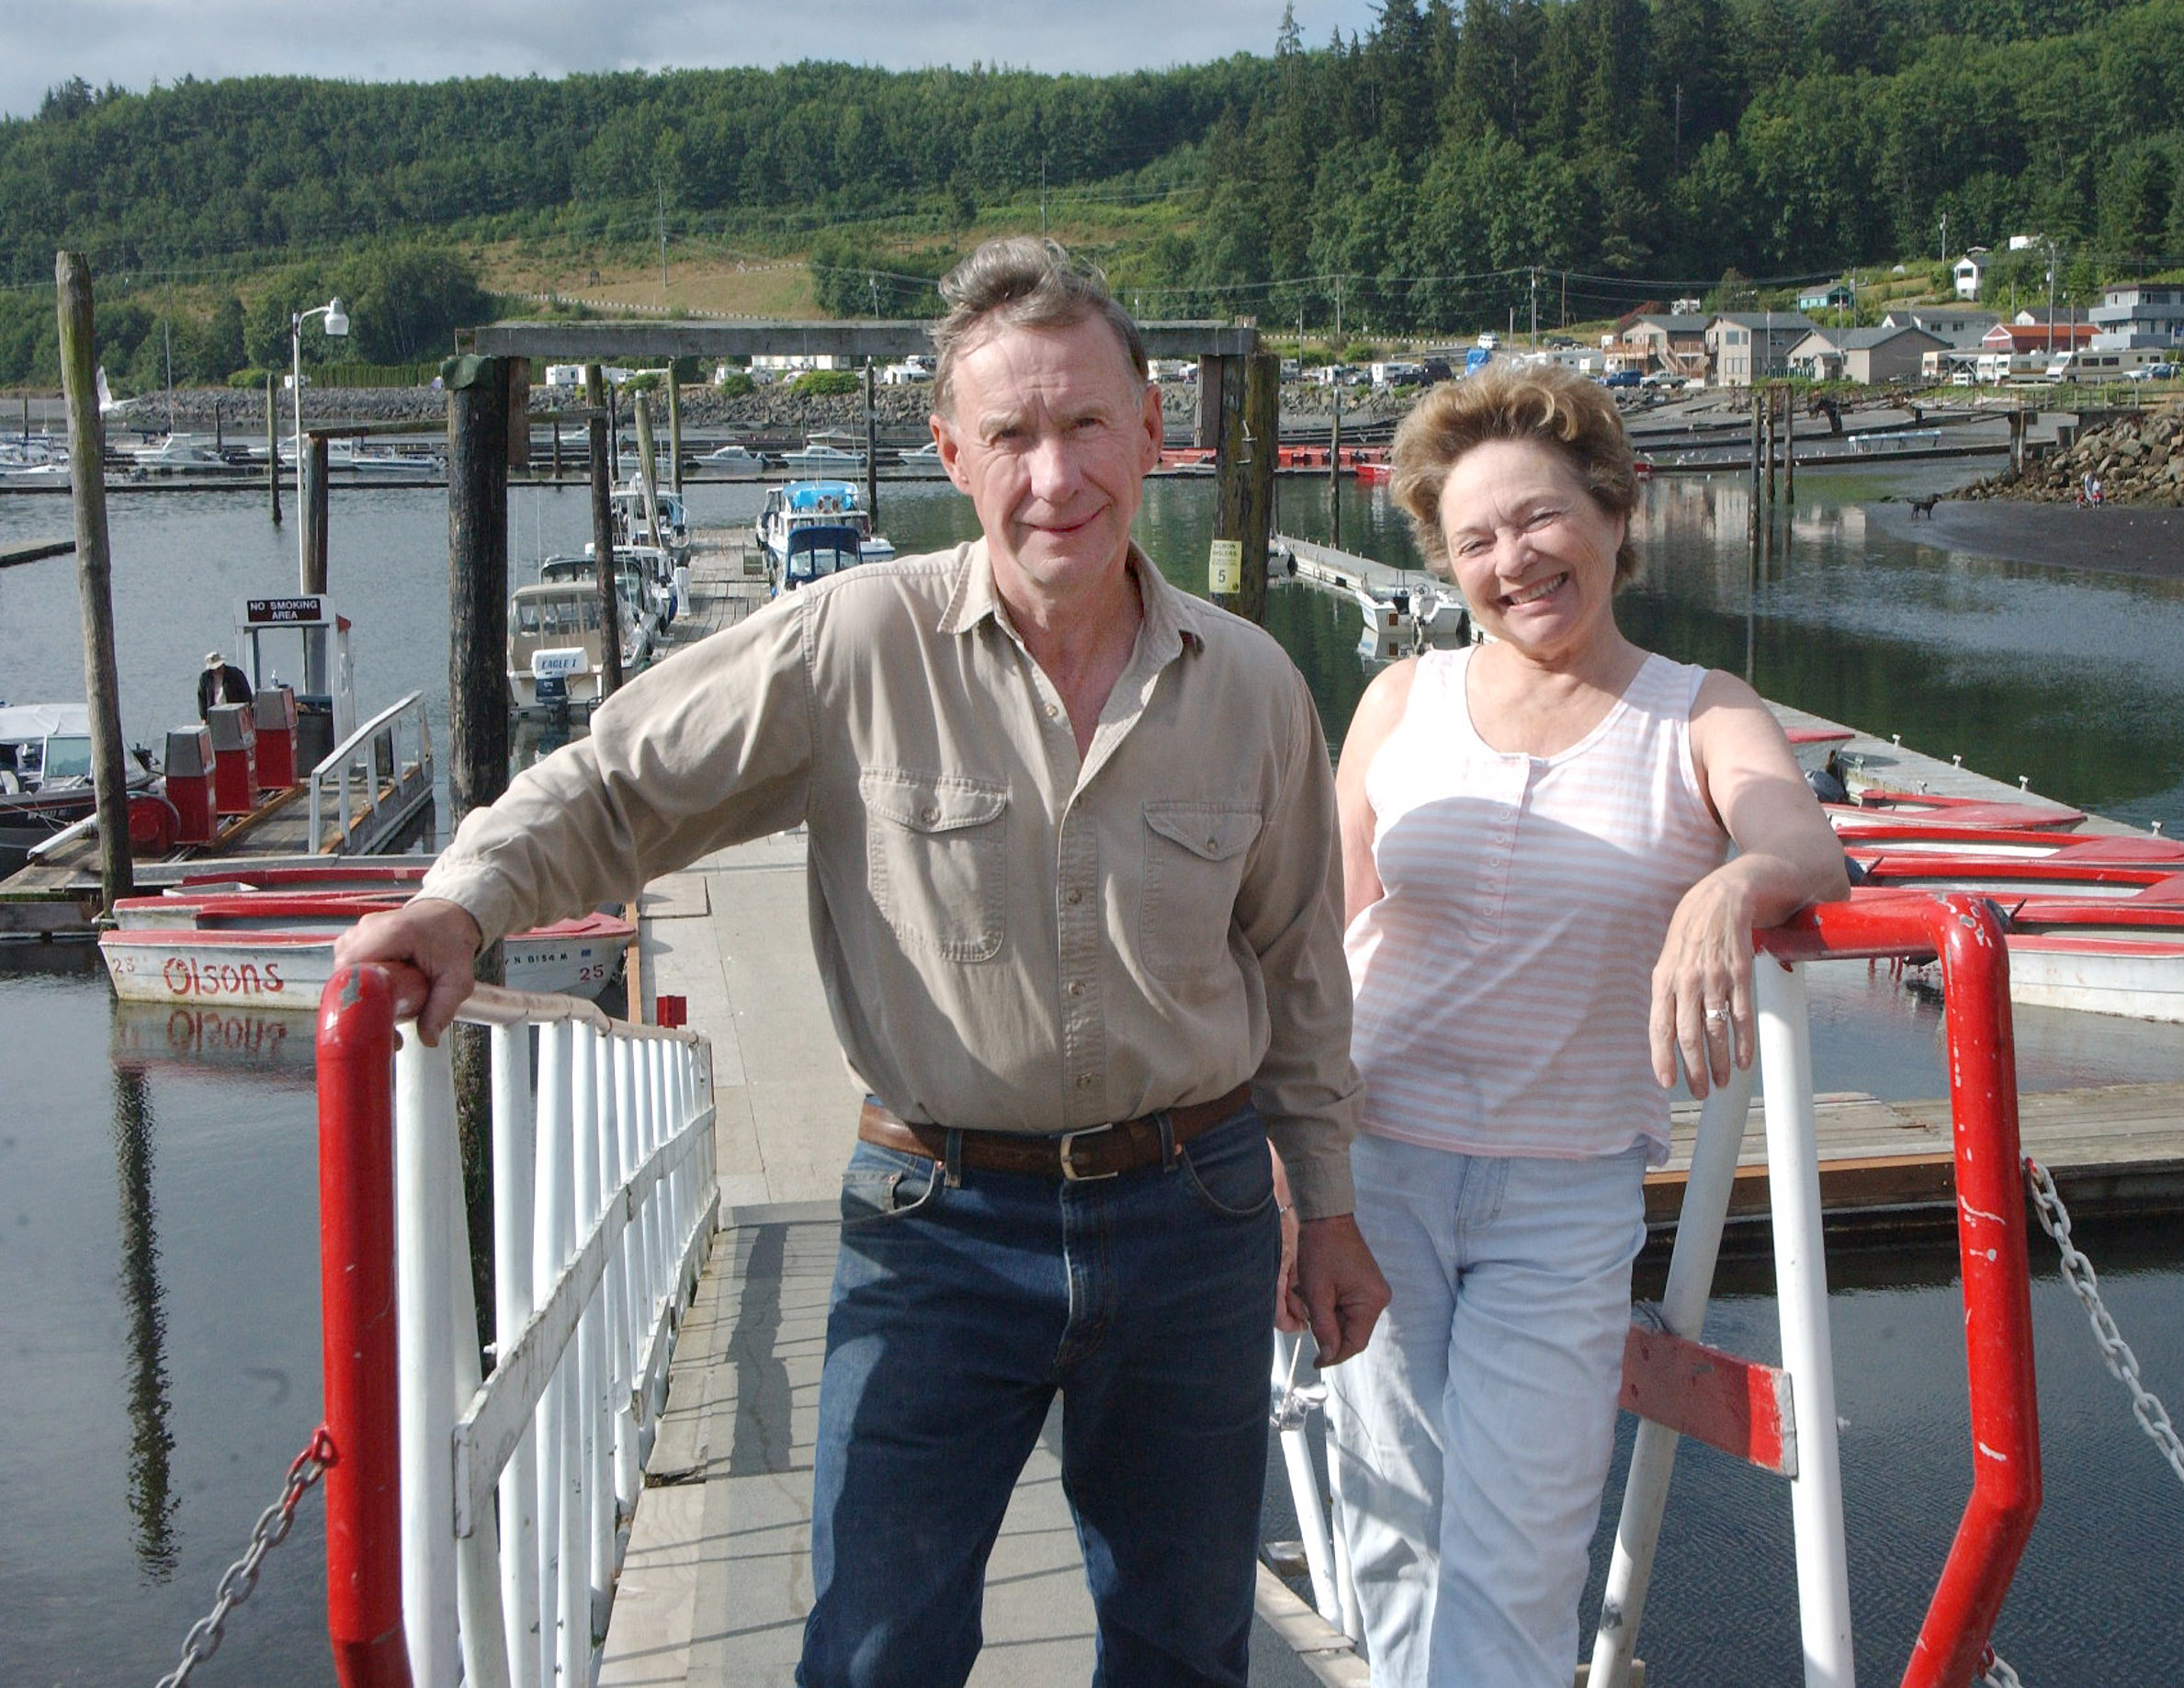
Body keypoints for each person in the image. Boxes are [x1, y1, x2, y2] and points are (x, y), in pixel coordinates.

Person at [334, 236, 1388, 1688]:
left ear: (1154, 428)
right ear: (952, 452)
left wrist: (1323, 1209)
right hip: (941, 1219)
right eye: (1010, 434)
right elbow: (626, 783)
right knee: (876, 1650)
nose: (1053, 475)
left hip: (1192, 1211)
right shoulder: (853, 640)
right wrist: (465, 902)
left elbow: (1299, 971)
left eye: (1086, 424)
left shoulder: (1256, 685)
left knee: (1186, 1646)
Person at [1324, 364, 1848, 1688]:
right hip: (1373, 1165)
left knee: (1522, 1551)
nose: (1515, 561)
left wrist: (1734, 881)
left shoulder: (1698, 708)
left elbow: (1804, 840)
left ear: (1615, 512)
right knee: (1393, 1532)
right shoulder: (1400, 703)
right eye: (1476, 541)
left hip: (1561, 1199)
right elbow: (1318, 950)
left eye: (1541, 519)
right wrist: (1292, 1168)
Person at [197, 650, 251, 719]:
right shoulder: (205, 678)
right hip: (214, 714)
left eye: (219, 667)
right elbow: (202, 699)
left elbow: (246, 693)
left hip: (233, 714)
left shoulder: (235, 674)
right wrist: (203, 717)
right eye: (214, 668)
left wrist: (245, 712)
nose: (217, 670)